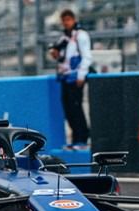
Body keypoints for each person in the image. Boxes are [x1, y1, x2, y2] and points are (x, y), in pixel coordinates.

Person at [50, 9, 92, 150]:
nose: (66, 23)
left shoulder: (81, 35)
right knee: (68, 109)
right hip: (65, 77)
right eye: (64, 20)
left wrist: (81, 75)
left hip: (75, 77)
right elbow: (60, 54)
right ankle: (75, 139)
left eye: (68, 20)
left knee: (76, 108)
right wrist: (55, 53)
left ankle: (82, 138)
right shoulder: (64, 38)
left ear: (74, 20)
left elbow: (86, 56)